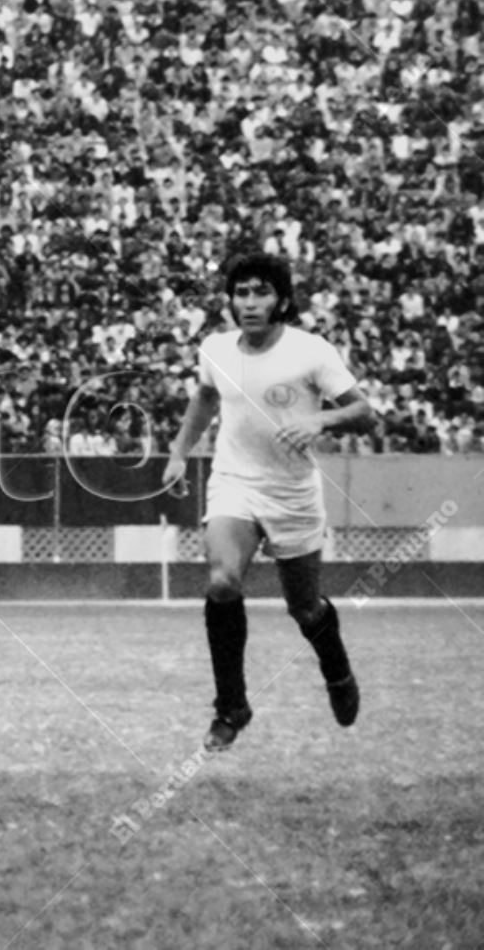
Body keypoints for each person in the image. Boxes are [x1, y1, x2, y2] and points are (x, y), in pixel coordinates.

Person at [162, 253, 374, 752]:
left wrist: (320, 421)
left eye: (260, 293)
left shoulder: (310, 351)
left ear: (281, 299)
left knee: (303, 607)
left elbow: (363, 411)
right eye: (241, 293)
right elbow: (206, 398)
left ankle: (336, 670)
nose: (249, 302)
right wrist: (178, 453)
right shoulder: (215, 348)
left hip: (293, 494)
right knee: (221, 581)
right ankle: (231, 708)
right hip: (234, 482)